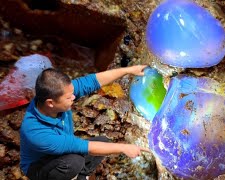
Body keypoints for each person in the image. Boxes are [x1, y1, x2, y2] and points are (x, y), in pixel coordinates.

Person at [20, 65, 150, 180]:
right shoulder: (35, 132)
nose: (74, 97)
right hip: (39, 166)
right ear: (50, 103)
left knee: (103, 142)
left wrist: (129, 70)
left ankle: (82, 176)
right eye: (68, 97)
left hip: (61, 149)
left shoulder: (59, 94)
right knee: (74, 162)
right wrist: (124, 148)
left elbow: (93, 81)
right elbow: (83, 146)